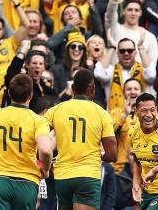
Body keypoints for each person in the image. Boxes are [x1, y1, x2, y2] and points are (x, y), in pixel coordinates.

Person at [0, 73, 53, 210]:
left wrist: (3, 153)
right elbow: (45, 150)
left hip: (0, 181)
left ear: (9, 93)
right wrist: (45, 169)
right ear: (31, 95)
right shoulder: (38, 121)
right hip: (26, 184)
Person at [44, 69, 117, 210]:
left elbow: (38, 136)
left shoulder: (56, 110)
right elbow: (112, 154)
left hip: (62, 176)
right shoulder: (101, 113)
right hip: (87, 176)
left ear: (72, 89)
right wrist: (100, 156)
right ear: (93, 89)